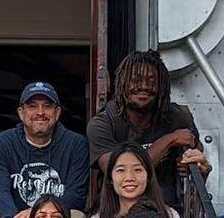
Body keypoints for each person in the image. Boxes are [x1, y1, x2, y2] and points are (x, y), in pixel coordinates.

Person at [87, 50, 210, 209]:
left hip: (166, 209)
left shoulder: (178, 118)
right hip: (116, 210)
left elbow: (195, 148)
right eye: (136, 80)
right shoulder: (103, 123)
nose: (144, 86)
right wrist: (170, 139)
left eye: (151, 81)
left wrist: (190, 161)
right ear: (122, 83)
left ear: (161, 86)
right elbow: (119, 171)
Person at [0, 82, 90, 218]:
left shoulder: (76, 144)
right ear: (21, 113)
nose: (40, 112)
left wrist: (37, 213)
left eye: (47, 106)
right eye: (32, 106)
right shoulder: (0, 144)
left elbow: (76, 195)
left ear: (57, 112)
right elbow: (1, 195)